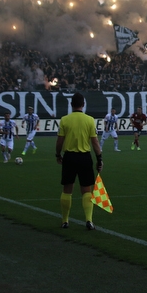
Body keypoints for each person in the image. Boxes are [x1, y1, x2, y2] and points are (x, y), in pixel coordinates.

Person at [55, 92, 104, 230]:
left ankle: (65, 221)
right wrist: (99, 159)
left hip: (69, 157)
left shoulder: (64, 120)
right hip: (84, 157)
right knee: (86, 190)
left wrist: (58, 154)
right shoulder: (89, 120)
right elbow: (95, 142)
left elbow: (59, 141)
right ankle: (89, 220)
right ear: (83, 104)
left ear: (71, 105)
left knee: (67, 189)